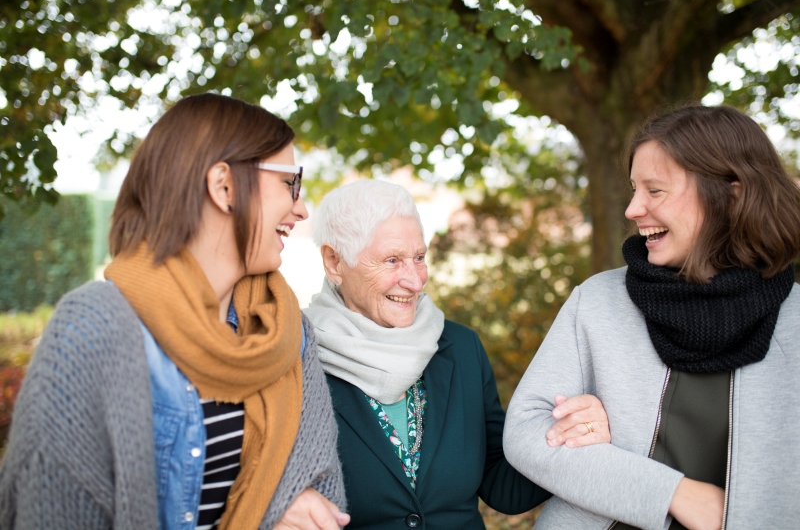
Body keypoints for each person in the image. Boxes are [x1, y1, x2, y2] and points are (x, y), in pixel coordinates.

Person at [0, 93, 348, 530]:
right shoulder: (93, 330)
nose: (301, 208)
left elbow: (324, 500)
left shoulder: (286, 328)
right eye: (289, 183)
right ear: (224, 186)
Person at [503, 105, 800, 530]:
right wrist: (675, 494)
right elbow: (527, 431)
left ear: (731, 196)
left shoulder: (796, 322)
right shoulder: (598, 301)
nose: (632, 209)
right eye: (633, 189)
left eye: (654, 191)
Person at [303, 179, 612, 529]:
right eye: (392, 261)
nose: (416, 281)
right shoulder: (295, 361)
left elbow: (502, 485)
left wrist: (568, 436)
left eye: (419, 258)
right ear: (334, 262)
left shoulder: (460, 348)